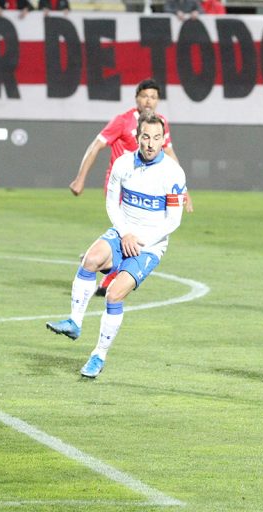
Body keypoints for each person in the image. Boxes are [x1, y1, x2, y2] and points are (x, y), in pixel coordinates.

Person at [46, 113, 187, 378]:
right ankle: (75, 322)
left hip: (149, 245)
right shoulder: (123, 164)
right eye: (146, 137)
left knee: (113, 294)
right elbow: (112, 203)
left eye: (157, 138)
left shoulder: (173, 173)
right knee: (89, 259)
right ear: (137, 137)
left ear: (162, 140)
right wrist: (125, 234)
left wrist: (140, 240)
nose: (151, 144)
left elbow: (173, 221)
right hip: (123, 233)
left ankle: (98, 355)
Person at [69, 78, 193, 297]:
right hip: (122, 187)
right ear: (136, 98)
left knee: (131, 236)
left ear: (158, 101)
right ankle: (107, 267)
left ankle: (108, 266)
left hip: (148, 186)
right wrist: (81, 178)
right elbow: (96, 145)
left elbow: (169, 153)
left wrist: (184, 190)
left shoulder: (159, 122)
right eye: (144, 96)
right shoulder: (122, 120)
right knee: (124, 233)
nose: (148, 101)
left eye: (153, 97)